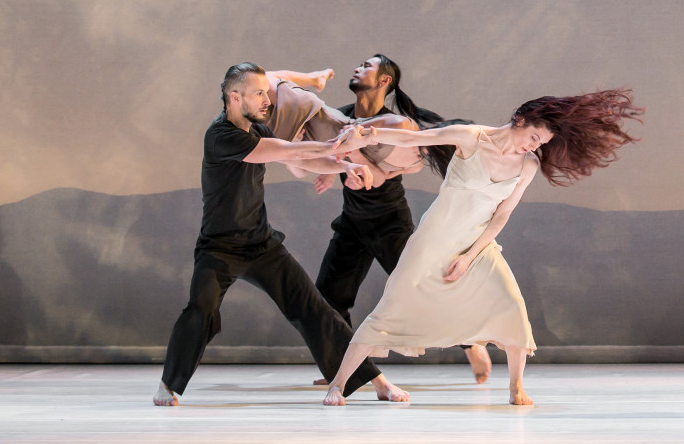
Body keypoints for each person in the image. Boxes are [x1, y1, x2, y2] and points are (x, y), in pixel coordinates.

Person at [321, 89, 642, 407]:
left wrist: (469, 256)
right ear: (521, 119)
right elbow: (414, 140)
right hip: (434, 239)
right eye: (534, 137)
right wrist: (368, 135)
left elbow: (502, 214)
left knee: (512, 305)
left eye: (541, 144)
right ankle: (337, 384)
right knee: (388, 310)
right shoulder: (471, 137)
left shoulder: (528, 164)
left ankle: (516, 387)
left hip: (478, 245)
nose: (534, 146)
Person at [153, 63, 408, 406]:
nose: (266, 100)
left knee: (314, 309)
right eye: (258, 93)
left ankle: (376, 380)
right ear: (234, 96)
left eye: (265, 92)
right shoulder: (221, 136)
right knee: (200, 309)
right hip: (220, 248)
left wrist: (345, 165)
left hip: (261, 245)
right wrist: (339, 145)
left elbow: (308, 160)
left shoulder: (254, 129)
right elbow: (290, 152)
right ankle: (168, 385)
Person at [310, 54, 494, 383]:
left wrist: (372, 166)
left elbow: (409, 165)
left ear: (384, 82)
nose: (357, 68)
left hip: (388, 222)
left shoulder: (394, 124)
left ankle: (469, 341)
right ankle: (344, 365)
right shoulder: (343, 117)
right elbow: (332, 153)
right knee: (328, 296)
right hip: (352, 221)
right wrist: (329, 170)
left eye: (366, 66)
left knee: (422, 288)